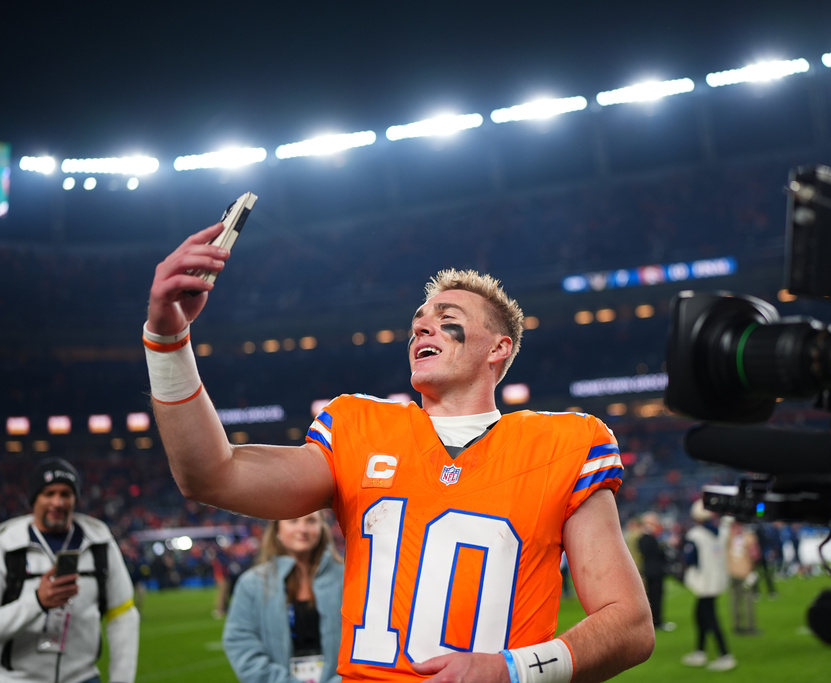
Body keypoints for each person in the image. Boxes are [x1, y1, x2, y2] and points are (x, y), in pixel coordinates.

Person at [144, 225, 655, 682]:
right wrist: (168, 339)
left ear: (498, 348)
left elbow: (630, 624)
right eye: (418, 320)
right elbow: (212, 474)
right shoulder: (357, 427)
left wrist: (513, 669)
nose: (422, 327)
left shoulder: (566, 443)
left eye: (446, 317)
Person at [0, 457, 140, 683]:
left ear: (76, 499)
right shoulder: (7, 546)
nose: (58, 502)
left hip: (83, 678)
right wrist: (37, 601)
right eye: (49, 493)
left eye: (66, 494)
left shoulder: (100, 543)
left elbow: (122, 614)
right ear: (34, 499)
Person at [223, 511, 345, 683]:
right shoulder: (251, 584)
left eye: (311, 520)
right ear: (277, 529)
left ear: (322, 528)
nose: (302, 529)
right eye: (293, 521)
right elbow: (241, 644)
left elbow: (366, 641)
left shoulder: (347, 577)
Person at [680, 499, 735, 672]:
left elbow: (689, 558)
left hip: (704, 581)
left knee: (710, 618)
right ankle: (700, 651)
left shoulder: (695, 534)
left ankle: (725, 655)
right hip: (716, 580)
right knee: (700, 616)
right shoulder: (720, 531)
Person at [637, 512, 674, 631]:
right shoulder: (646, 538)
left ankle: (655, 621)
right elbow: (654, 553)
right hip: (654, 571)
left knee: (654, 597)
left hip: (651, 571)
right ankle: (657, 622)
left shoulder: (646, 538)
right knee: (655, 597)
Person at [725, 519, 760, 635]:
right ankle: (750, 626)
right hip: (745, 571)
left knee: (734, 600)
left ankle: (737, 625)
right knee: (748, 600)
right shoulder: (748, 536)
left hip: (732, 571)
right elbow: (755, 555)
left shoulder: (729, 536)